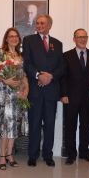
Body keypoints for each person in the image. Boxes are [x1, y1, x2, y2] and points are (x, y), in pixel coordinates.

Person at [22, 14, 64, 167]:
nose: (38, 25)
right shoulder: (28, 40)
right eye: (37, 23)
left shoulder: (58, 44)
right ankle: (32, 155)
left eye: (42, 23)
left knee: (50, 125)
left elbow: (62, 66)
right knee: (34, 124)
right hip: (35, 90)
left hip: (51, 91)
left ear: (49, 25)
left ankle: (48, 155)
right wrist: (39, 75)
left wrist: (51, 76)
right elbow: (26, 63)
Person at [60, 29, 89, 165]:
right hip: (70, 98)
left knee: (86, 126)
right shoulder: (66, 56)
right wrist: (63, 94)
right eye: (79, 37)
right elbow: (63, 78)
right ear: (74, 39)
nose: (82, 39)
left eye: (85, 37)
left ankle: (84, 152)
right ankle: (71, 154)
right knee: (70, 126)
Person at [0, 28, 29, 170]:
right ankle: (2, 156)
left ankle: (10, 154)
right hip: (5, 93)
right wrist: (5, 81)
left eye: (16, 36)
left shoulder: (21, 56)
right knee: (5, 125)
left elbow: (24, 75)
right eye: (11, 36)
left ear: (19, 39)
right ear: (6, 39)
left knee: (14, 124)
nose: (14, 38)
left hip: (18, 94)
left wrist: (26, 90)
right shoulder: (1, 53)